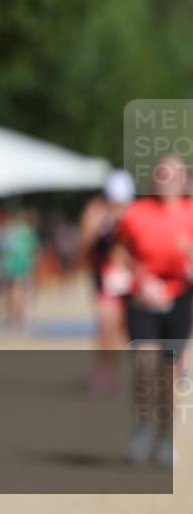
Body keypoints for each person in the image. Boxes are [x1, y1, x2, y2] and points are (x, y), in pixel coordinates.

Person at [117, 155, 193, 469]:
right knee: (145, 362)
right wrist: (140, 278)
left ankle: (164, 439)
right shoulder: (137, 213)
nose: (168, 179)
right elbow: (120, 252)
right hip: (144, 299)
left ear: (184, 180)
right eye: (163, 173)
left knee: (169, 374)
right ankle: (142, 428)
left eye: (175, 174)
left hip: (179, 297)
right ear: (154, 178)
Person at [79, 169, 135, 395]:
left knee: (122, 330)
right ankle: (103, 370)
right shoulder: (96, 212)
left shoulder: (133, 214)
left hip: (126, 278)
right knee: (107, 325)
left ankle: (113, 372)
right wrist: (98, 225)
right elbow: (84, 245)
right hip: (104, 277)